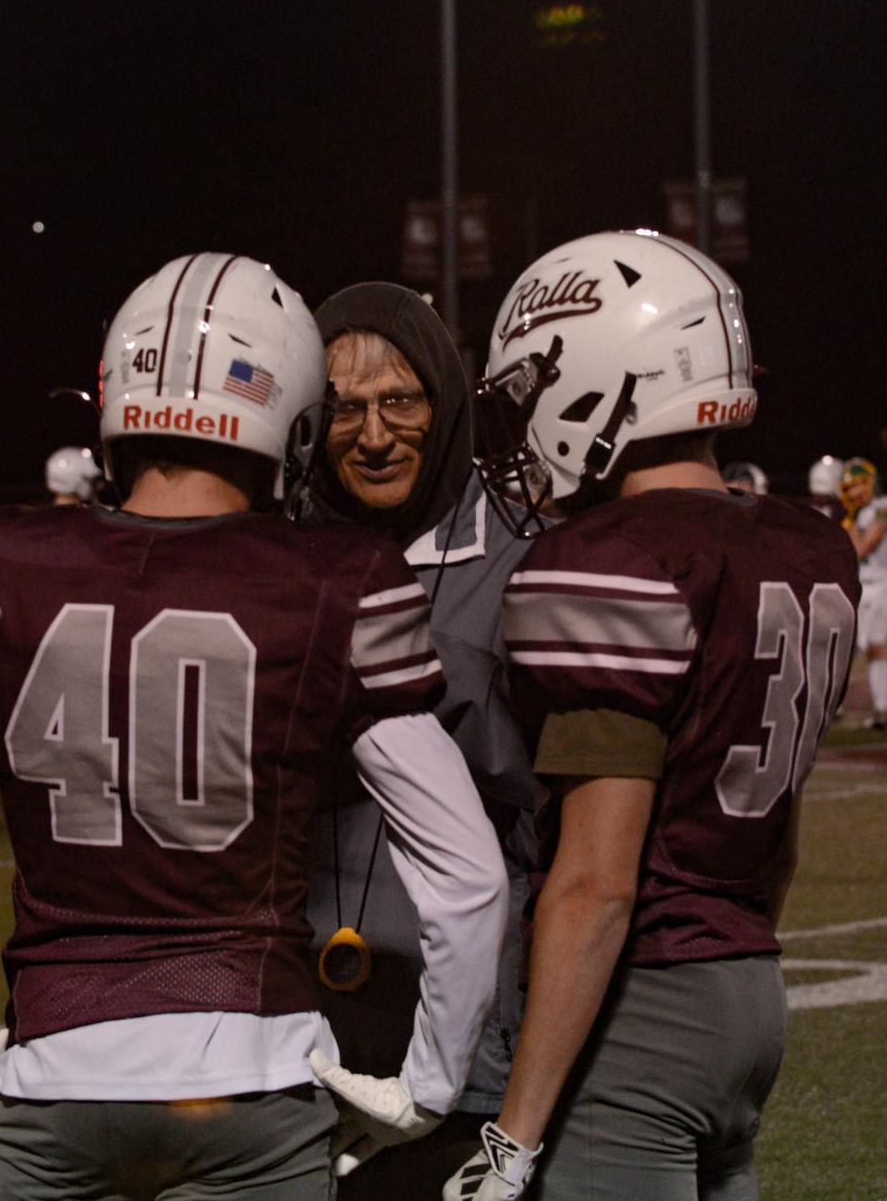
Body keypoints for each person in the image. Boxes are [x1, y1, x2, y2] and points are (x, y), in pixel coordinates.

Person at [0, 253, 507, 1201]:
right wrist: (427, 1085)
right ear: (295, 416)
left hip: (52, 1078)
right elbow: (467, 875)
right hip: (254, 1075)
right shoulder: (335, 579)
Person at [432, 231, 857, 1201]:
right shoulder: (801, 545)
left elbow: (595, 882)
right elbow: (779, 840)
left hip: (640, 1005)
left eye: (536, 383)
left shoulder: (615, 559)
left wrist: (514, 1137)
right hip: (750, 987)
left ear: (598, 377)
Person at [301, 281, 540, 1197]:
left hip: (468, 1024)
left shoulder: (525, 557)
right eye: (342, 408)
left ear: (445, 399)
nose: (372, 434)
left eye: (400, 400)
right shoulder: (276, 554)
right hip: (291, 1019)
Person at [839, 457, 887, 730]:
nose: (854, 492)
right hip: (862, 585)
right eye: (850, 488)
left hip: (883, 583)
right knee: (853, 646)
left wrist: (852, 521)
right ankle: (838, 705)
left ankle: (883, 709)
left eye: (859, 486)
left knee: (876, 645)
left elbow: (863, 549)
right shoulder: (856, 514)